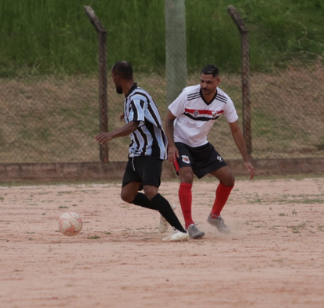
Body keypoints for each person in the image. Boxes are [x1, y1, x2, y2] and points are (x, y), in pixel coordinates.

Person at [94, 61, 187, 242]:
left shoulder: (137, 96)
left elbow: (135, 123)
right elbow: (138, 115)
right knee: (127, 195)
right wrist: (125, 114)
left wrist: (111, 134)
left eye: (113, 78)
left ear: (118, 77)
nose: (113, 82)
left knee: (151, 190)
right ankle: (165, 209)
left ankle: (180, 230)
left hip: (150, 150)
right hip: (137, 151)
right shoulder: (132, 96)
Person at [162, 64, 255, 239]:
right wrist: (171, 146)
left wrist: (246, 159)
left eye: (209, 82)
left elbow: (235, 130)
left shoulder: (224, 101)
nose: (204, 85)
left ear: (218, 81)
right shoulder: (188, 95)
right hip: (181, 142)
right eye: (202, 81)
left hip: (201, 144)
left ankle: (214, 216)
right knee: (187, 175)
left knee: (228, 178)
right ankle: (189, 225)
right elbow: (168, 119)